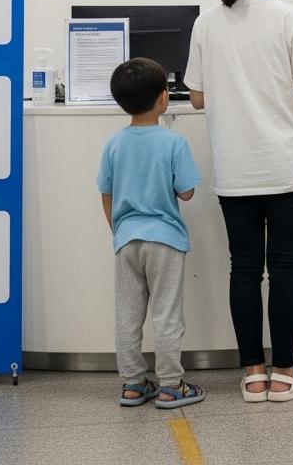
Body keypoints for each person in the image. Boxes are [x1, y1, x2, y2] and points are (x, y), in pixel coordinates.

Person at [185, 0, 293, 403]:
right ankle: (285, 375)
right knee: (287, 267)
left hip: (235, 168)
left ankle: (252, 374)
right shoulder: (292, 19)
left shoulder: (207, 22)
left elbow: (197, 97)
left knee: (243, 268)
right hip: (287, 165)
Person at [98, 58, 205, 409]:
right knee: (166, 313)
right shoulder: (173, 143)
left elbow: (106, 193)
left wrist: (120, 230)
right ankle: (172, 385)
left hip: (126, 239)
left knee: (128, 314)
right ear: (164, 98)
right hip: (166, 240)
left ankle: (132, 383)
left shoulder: (113, 144)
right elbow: (187, 191)